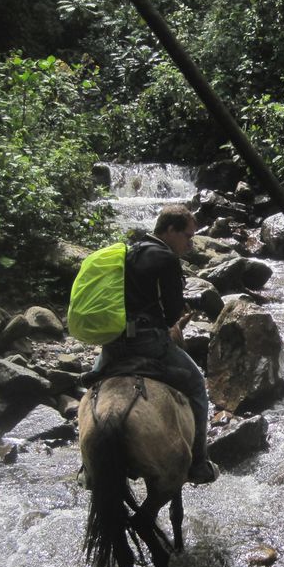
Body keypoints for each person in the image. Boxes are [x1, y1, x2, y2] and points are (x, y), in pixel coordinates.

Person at [93, 204, 219, 483]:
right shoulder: (166, 258)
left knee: (93, 386)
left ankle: (87, 466)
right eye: (187, 236)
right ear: (170, 230)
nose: (189, 244)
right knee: (197, 385)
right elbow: (173, 314)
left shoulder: (126, 251)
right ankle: (199, 462)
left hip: (113, 342)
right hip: (149, 343)